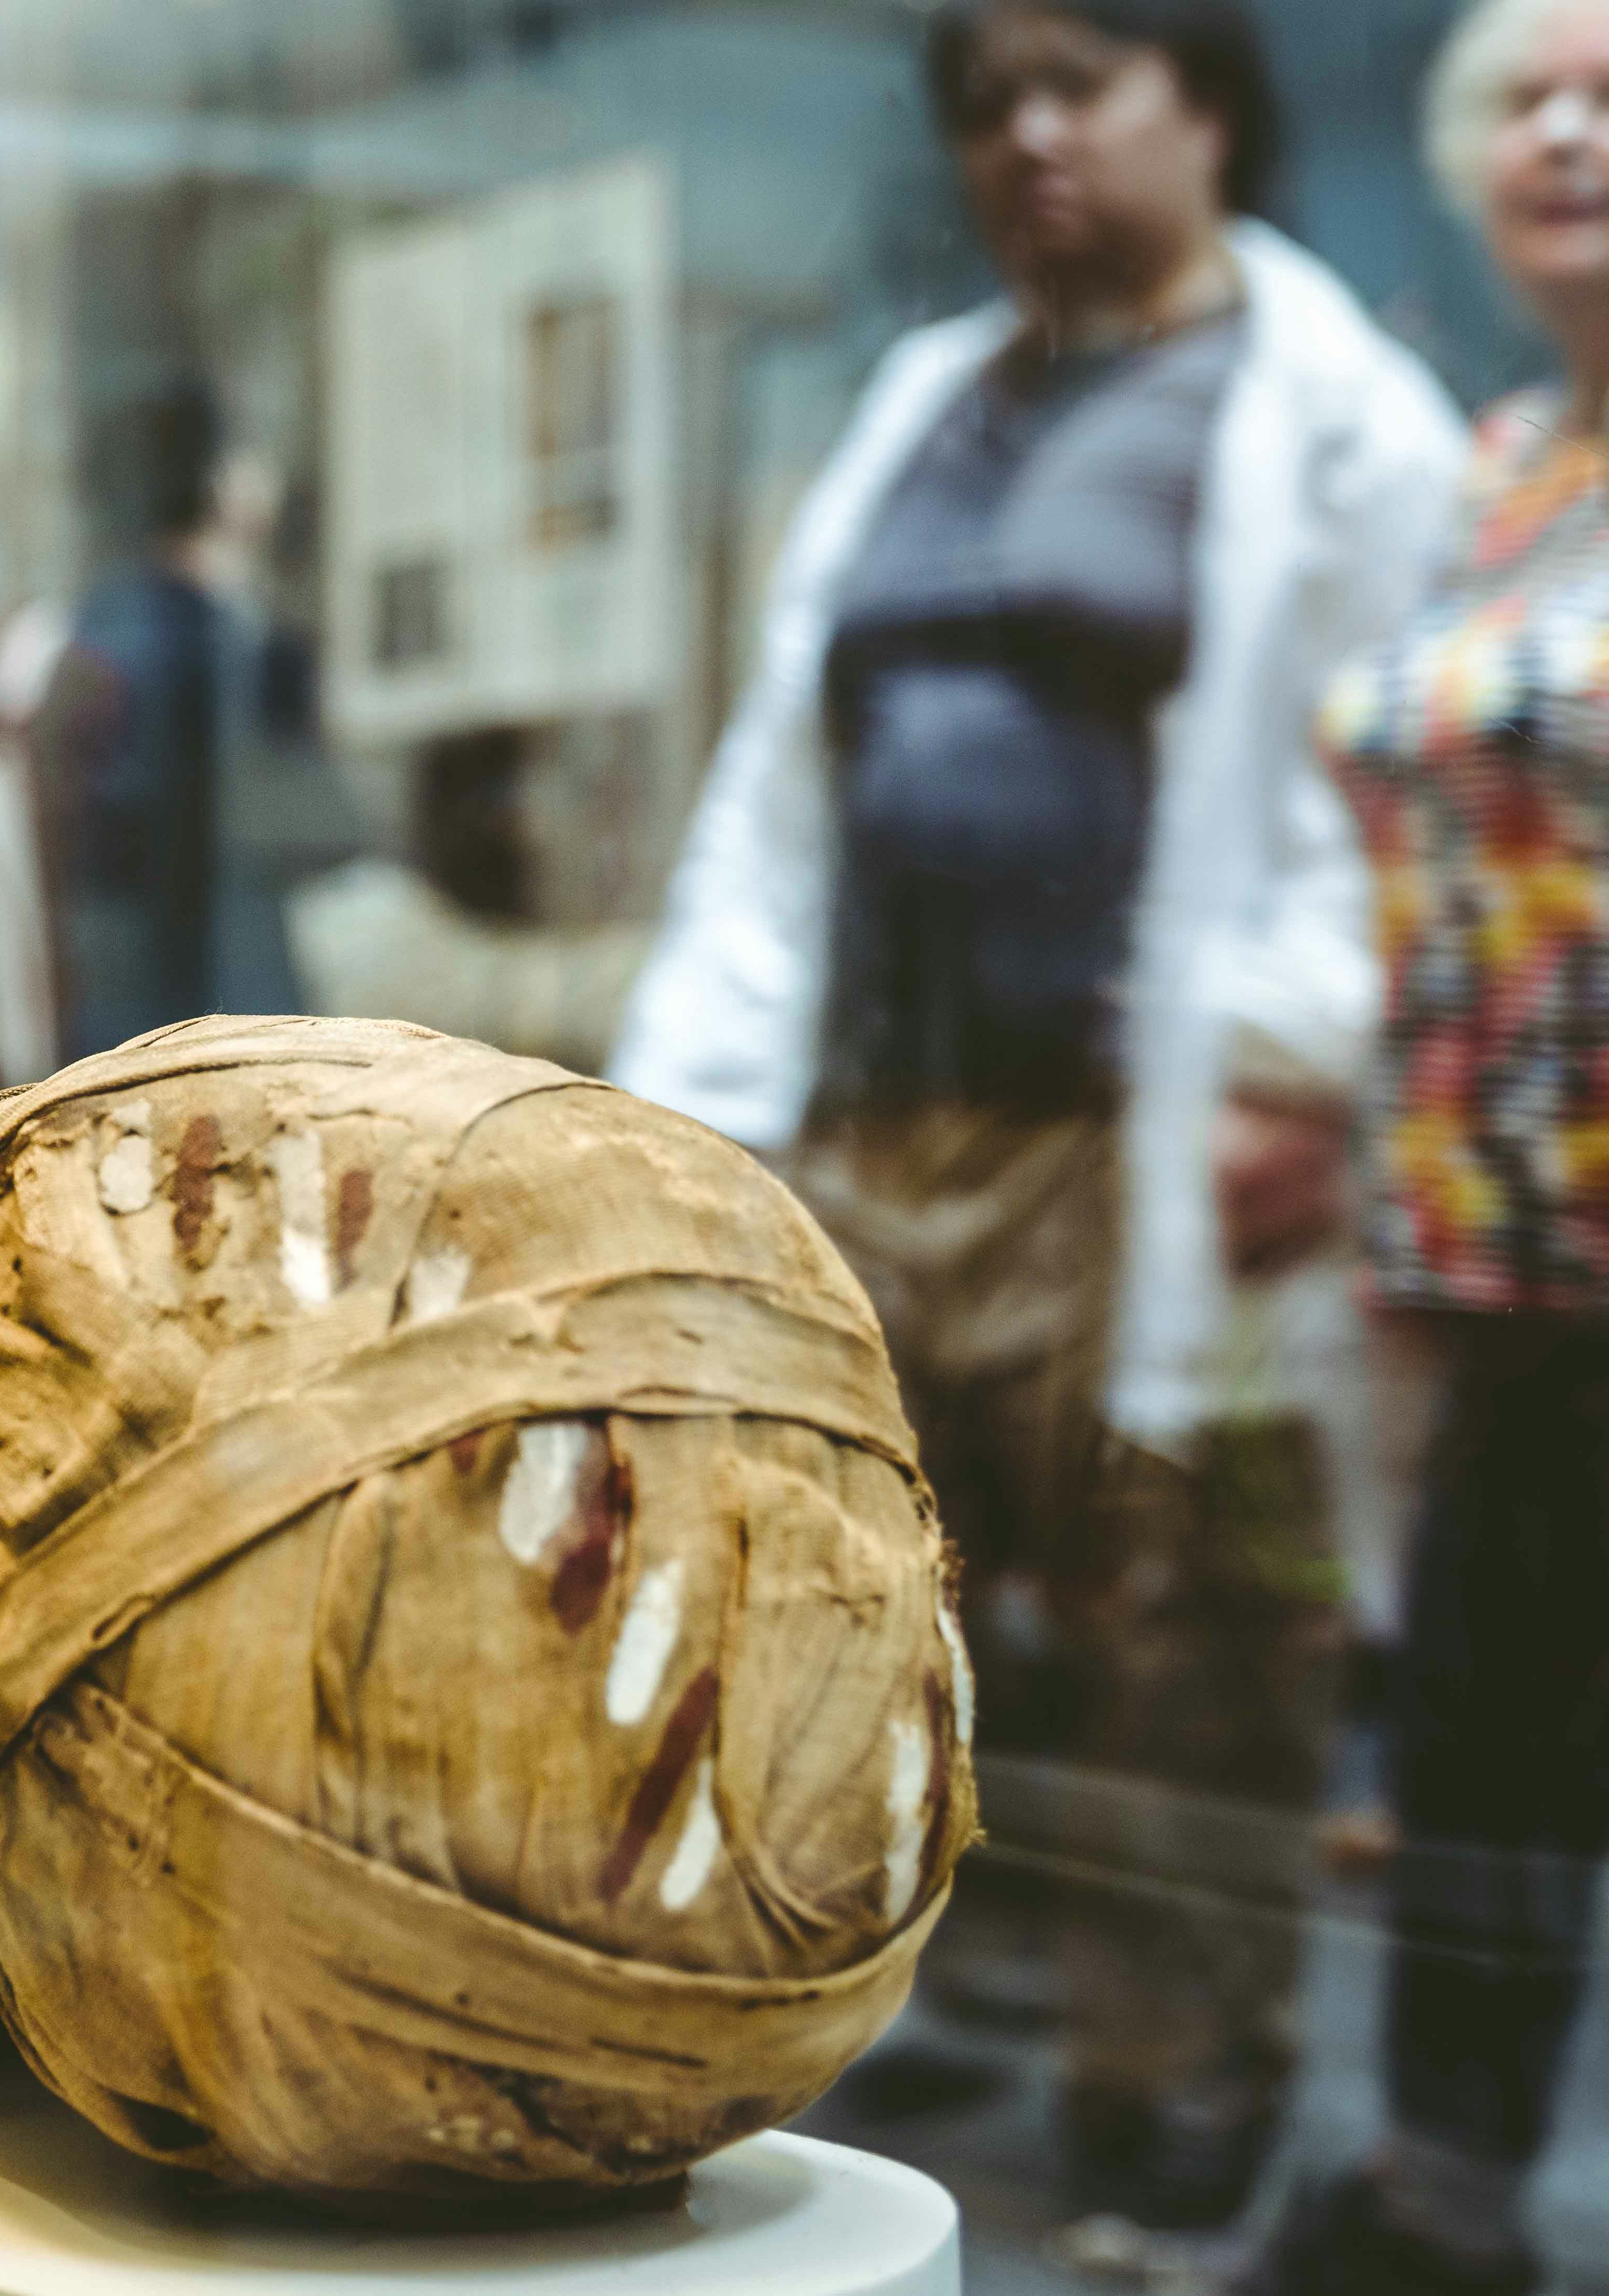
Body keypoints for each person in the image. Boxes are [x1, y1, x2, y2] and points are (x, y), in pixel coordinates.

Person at [610, 0, 1466, 2230]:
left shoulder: (1331, 408)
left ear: (1210, 104)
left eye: (1080, 82)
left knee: (1194, 1627)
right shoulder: (928, 396)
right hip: (884, 1126)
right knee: (855, 1595)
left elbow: (1383, 779)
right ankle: (849, 2050)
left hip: (1153, 1141)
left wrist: (1306, 1062)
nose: (1028, 136)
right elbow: (777, 782)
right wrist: (690, 1110)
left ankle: (1172, 2108)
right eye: (986, 101)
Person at [1243, 4, 1609, 2286]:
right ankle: (1446, 2211)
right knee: (1480, 1756)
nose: (1568, 135)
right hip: (1483, 1243)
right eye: (1527, 101)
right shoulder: (1486, 475)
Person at [32, 378, 324, 1056]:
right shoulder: (220, 649)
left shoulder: (98, 628)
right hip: (201, 1002)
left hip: (122, 997)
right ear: (221, 483)